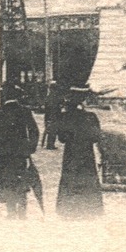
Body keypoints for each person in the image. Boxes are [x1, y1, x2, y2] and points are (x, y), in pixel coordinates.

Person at [0, 86, 42, 219]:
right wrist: (30, 148)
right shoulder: (24, 111)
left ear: (3, 97)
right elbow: (34, 131)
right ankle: (23, 212)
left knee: (7, 180)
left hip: (3, 154)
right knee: (21, 180)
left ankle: (10, 211)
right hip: (21, 153)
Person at [55, 87, 105, 219]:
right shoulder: (91, 117)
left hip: (71, 153)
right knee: (88, 178)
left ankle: (69, 209)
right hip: (86, 153)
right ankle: (89, 209)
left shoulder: (64, 117)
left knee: (70, 178)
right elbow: (96, 137)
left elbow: (62, 138)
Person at [42, 83, 62, 151]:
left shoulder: (48, 97)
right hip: (54, 115)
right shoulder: (56, 97)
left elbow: (46, 107)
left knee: (50, 130)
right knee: (53, 130)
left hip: (48, 116)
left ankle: (50, 144)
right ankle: (50, 145)